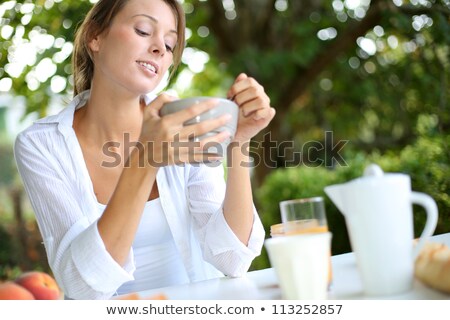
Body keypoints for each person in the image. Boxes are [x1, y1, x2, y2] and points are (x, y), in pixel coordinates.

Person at [14, 0, 275, 300]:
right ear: (95, 37)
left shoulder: (182, 122)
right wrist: (145, 159)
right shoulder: (42, 145)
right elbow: (83, 286)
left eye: (169, 42)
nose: (160, 49)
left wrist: (238, 142)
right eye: (143, 30)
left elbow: (232, 258)